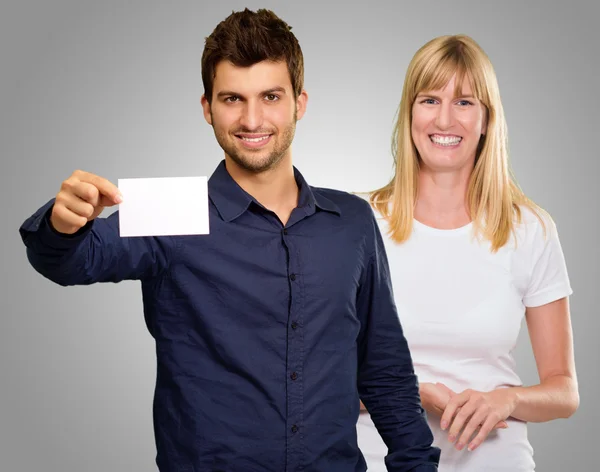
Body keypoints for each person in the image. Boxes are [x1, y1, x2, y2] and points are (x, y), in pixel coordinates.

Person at [19, 8, 440, 472]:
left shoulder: (352, 222)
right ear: (207, 108)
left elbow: (384, 370)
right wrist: (62, 223)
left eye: (271, 96)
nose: (252, 118)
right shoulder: (172, 210)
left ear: (300, 103)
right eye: (232, 99)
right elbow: (71, 261)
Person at [356, 34, 579, 471]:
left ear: (486, 118)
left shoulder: (530, 229)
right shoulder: (359, 222)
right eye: (429, 100)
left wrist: (506, 399)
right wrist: (413, 392)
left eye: (463, 102)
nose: (444, 119)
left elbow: (565, 391)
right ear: (409, 112)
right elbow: (315, 381)